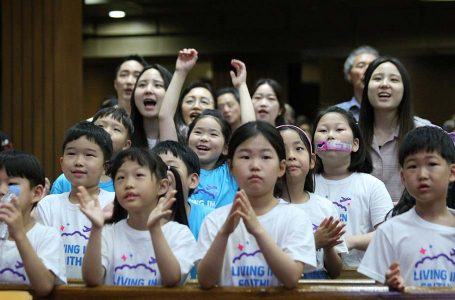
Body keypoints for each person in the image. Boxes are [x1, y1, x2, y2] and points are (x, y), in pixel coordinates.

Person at [197, 121, 316, 288]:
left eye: (266, 157)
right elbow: (205, 281)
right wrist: (224, 233)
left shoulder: (295, 218)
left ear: (281, 167)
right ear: (231, 167)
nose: (255, 166)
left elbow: (291, 278)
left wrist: (257, 230)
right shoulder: (214, 220)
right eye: (245, 157)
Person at [79, 148, 197, 286]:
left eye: (139, 175)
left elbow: (171, 280)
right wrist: (96, 229)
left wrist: (154, 229)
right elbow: (91, 280)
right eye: (121, 178)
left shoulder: (179, 234)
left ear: (162, 186)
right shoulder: (108, 232)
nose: (128, 184)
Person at [358, 126, 455, 290]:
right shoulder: (389, 231)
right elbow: (377, 290)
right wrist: (389, 286)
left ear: (452, 172)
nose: (422, 174)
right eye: (412, 166)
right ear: (403, 177)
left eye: (432, 164)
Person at [313, 106, 393, 268]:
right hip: (313, 274)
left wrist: (350, 241)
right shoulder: (305, 184)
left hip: (360, 274)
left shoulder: (372, 185)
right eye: (323, 130)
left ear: (355, 144)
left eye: (339, 129)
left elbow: (389, 233)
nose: (330, 136)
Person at [36, 121, 115, 279]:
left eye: (89, 155)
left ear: (105, 167)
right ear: (61, 162)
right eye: (71, 154)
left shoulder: (114, 203)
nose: (79, 162)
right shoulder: (48, 205)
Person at [277, 124, 347, 279]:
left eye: (299, 149)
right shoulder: (268, 208)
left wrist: (329, 248)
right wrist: (313, 242)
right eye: (282, 150)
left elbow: (335, 272)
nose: (291, 156)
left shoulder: (324, 207)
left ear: (312, 161)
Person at [359, 56, 432, 203]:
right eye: (377, 78)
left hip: (411, 220)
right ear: (366, 87)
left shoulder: (425, 132)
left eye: (394, 80)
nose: (385, 84)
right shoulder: (351, 133)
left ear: (405, 89)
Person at [0, 150, 66, 297]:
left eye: (11, 184)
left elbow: (44, 287)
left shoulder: (48, 236)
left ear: (36, 193)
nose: (1, 190)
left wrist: (19, 235)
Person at [50, 107, 133, 194]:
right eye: (100, 126)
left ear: (126, 145)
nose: (106, 131)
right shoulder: (64, 180)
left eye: (116, 129)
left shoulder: (125, 182)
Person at [152, 140, 213, 240]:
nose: (162, 173)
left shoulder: (210, 219)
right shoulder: (139, 217)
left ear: (193, 180)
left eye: (170, 167)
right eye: (156, 168)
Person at [186, 110, 238, 209]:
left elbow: (250, 128)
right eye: (198, 132)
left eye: (213, 134)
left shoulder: (231, 172)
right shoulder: (180, 169)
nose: (204, 138)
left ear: (225, 148)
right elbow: (165, 117)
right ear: (187, 140)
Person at [130, 64, 172, 149]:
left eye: (157, 85)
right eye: (142, 85)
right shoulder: (124, 139)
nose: (148, 90)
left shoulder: (185, 140)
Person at [336, 45, 379, 121]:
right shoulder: (337, 113)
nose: (367, 70)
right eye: (361, 65)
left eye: (373, 65)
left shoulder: (391, 111)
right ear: (349, 74)